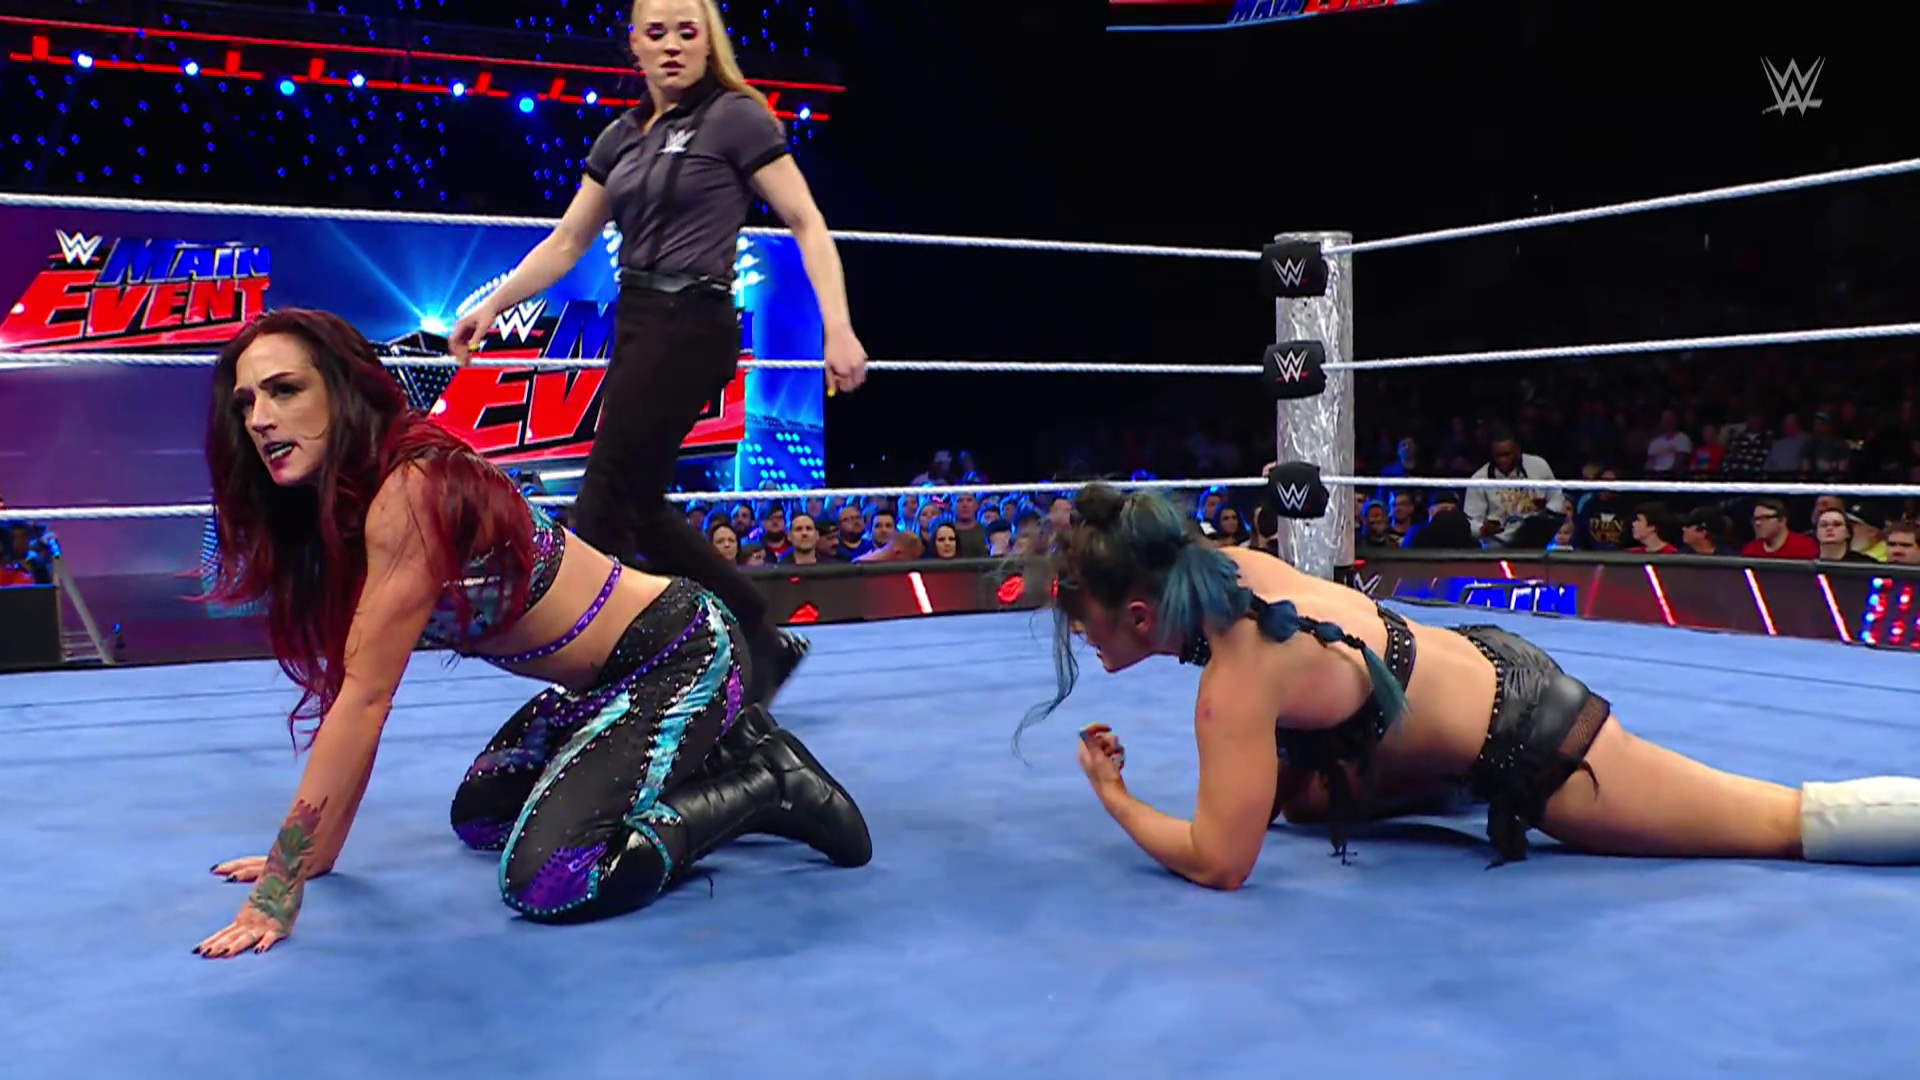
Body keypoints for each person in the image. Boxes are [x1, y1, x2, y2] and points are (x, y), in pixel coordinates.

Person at [192, 310, 870, 959]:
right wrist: (315, 857)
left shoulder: (412, 492)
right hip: (603, 687)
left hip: (680, 652)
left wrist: (277, 892)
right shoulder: (350, 505)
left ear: (342, 390)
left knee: (549, 877)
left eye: (284, 390)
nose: (260, 419)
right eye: (246, 402)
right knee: (483, 816)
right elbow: (357, 696)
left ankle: (764, 783)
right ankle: (716, 750)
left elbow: (365, 701)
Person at [1027, 483, 1920, 890]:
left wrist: (1115, 795)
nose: (1077, 635)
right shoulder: (1226, 567)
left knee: (1773, 821)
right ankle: (1444, 775)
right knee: (1298, 796)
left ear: (1139, 615)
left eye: (1083, 619)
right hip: (1478, 666)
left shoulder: (1234, 682)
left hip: (1536, 741)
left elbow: (1221, 862)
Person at [448, 0, 867, 707]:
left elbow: (805, 220)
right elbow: (568, 241)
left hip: (695, 318)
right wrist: (491, 308)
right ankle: (757, 633)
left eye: (687, 31)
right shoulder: (620, 137)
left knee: (604, 497)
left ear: (709, 42)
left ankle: (594, 665)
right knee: (639, 504)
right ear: (634, 46)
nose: (672, 45)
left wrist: (839, 327)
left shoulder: (736, 116)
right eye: (656, 32)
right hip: (639, 319)